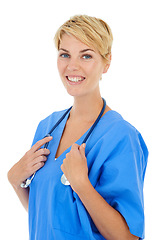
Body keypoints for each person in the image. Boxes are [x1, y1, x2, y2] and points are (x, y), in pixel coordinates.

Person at [8, 15, 148, 240]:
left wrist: (81, 183)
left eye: (86, 55)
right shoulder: (47, 128)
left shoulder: (122, 136)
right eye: (65, 54)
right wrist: (16, 181)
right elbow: (50, 216)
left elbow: (128, 237)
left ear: (107, 62)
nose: (72, 66)